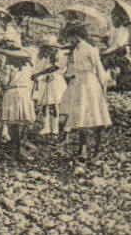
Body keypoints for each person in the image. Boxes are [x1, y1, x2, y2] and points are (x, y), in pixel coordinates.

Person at [58, 24, 112, 162]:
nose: (69, 41)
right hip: (79, 84)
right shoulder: (74, 50)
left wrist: (103, 88)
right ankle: (82, 149)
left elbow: (99, 69)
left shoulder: (90, 50)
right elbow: (70, 69)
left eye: (70, 37)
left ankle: (96, 149)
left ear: (76, 36)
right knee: (80, 116)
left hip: (90, 83)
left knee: (95, 115)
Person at [0, 42, 38, 162]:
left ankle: (15, 148)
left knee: (12, 122)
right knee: (21, 121)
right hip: (24, 93)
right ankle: (18, 146)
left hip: (12, 92)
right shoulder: (27, 67)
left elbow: (4, 82)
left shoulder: (9, 67)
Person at [33, 36, 68, 137]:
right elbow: (38, 68)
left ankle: (55, 127)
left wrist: (43, 74)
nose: (48, 49)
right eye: (46, 47)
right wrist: (41, 76)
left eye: (50, 47)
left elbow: (58, 68)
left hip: (56, 80)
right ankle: (46, 126)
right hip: (45, 81)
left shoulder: (59, 56)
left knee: (55, 104)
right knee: (45, 103)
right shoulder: (43, 57)